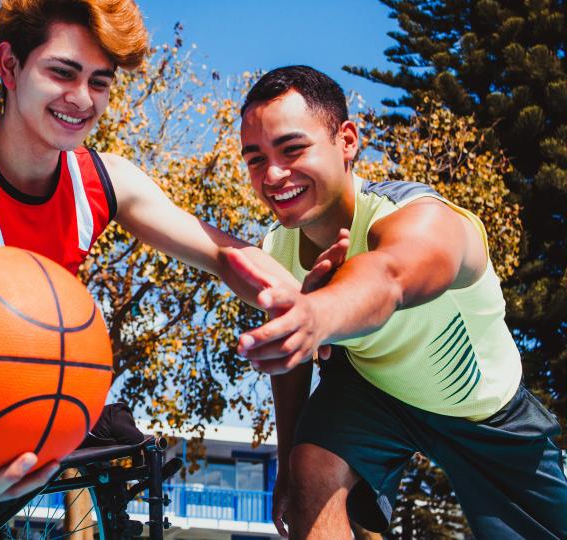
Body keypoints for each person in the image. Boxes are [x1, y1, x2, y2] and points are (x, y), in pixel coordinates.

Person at [0, 2, 347, 514]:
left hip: (51, 395)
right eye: (63, 72)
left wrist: (308, 306)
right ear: (10, 66)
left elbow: (222, 253)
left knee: (121, 465)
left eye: (99, 82)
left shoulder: (104, 179)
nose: (82, 99)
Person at [230, 65, 567, 539]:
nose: (274, 174)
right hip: (372, 390)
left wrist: (318, 314)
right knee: (312, 471)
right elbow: (293, 362)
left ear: (347, 141)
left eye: (292, 149)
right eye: (255, 159)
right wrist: (286, 461)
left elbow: (389, 277)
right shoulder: (276, 249)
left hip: (484, 413)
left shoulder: (422, 218)